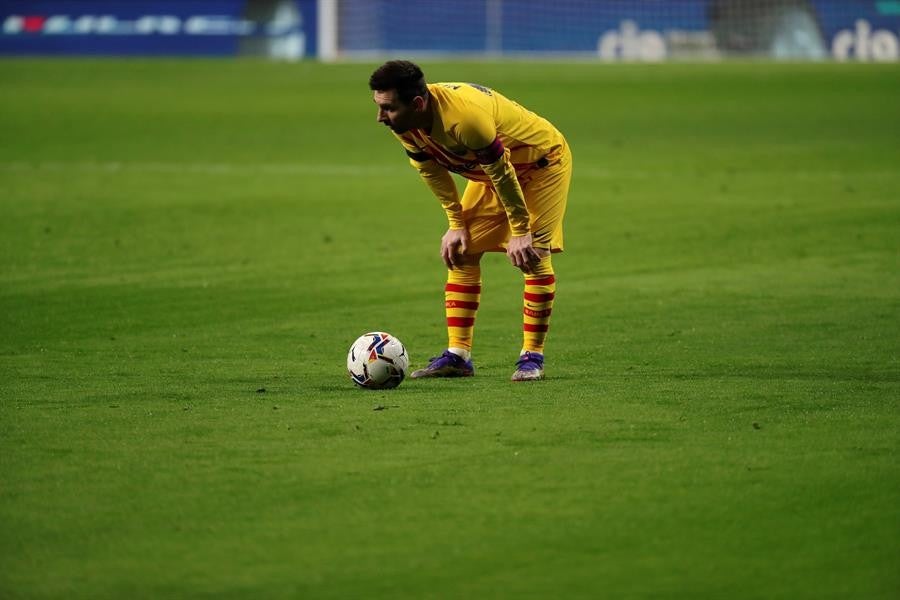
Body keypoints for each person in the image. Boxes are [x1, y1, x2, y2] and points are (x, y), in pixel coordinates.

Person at [369, 60, 572, 382]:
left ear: (417, 103)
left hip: (541, 164)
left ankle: (531, 356)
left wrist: (520, 232)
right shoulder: (404, 124)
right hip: (489, 171)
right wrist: (456, 223)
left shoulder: (465, 119)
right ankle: (458, 356)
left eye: (388, 108)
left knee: (531, 256)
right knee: (460, 251)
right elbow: (431, 171)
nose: (380, 117)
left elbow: (503, 172)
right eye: (379, 107)